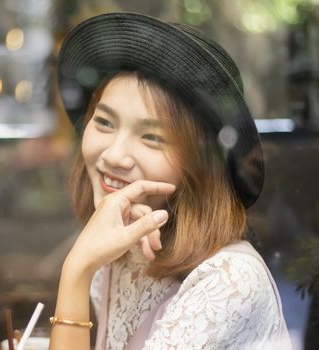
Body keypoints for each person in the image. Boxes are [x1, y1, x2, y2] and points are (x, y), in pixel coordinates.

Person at [49, 12, 292, 350]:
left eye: (151, 137)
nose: (115, 155)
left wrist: (76, 271)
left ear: (198, 163)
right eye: (104, 122)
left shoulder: (228, 282)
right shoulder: (119, 251)